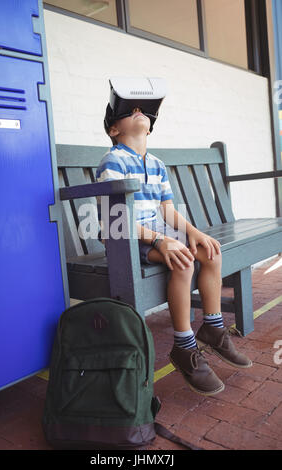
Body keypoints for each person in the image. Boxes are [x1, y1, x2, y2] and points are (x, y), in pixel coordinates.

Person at [96, 102, 252, 397]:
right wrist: (158, 240)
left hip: (157, 230)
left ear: (150, 126)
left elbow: (167, 209)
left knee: (210, 251)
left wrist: (193, 232)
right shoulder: (113, 160)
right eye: (130, 110)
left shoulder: (156, 163)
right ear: (114, 128)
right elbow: (114, 220)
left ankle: (214, 329)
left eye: (143, 111)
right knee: (185, 261)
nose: (139, 111)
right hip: (126, 237)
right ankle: (184, 346)